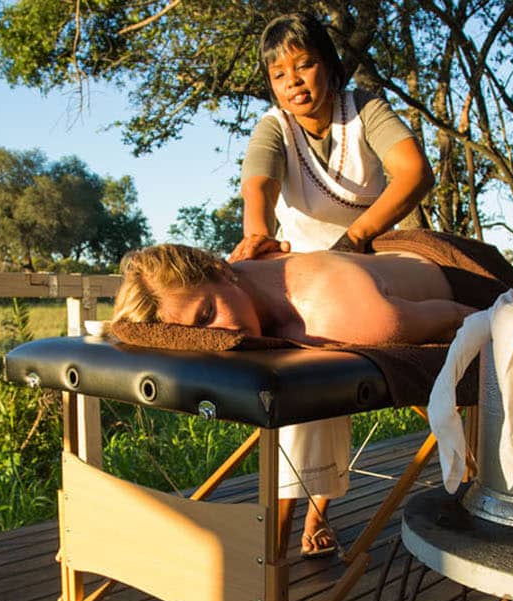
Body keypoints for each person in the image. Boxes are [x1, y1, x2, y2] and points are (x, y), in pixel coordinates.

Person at [228, 11, 435, 558]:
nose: (293, 81)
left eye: (304, 65)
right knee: (304, 372)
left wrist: (359, 237)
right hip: (298, 267)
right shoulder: (275, 127)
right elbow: (260, 187)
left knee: (327, 364)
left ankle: (297, 518)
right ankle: (292, 517)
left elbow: (414, 171)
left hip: (370, 258)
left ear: (330, 65)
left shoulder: (364, 107)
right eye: (279, 74)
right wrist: (256, 237)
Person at [111, 243, 474, 346]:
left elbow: (465, 318)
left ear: (220, 269)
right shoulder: (250, 268)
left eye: (207, 315)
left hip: (460, 270)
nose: (217, 339)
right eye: (196, 337)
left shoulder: (338, 316)